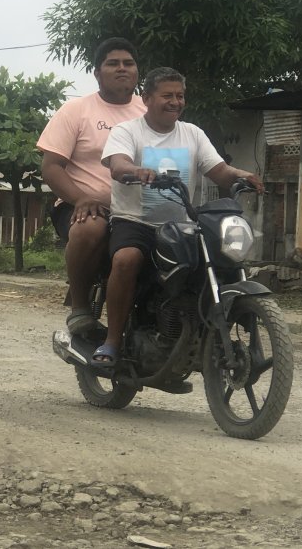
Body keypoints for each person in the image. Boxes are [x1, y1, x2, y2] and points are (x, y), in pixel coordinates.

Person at [94, 67, 265, 367]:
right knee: (126, 260)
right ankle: (112, 341)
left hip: (181, 226)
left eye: (180, 96)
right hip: (135, 222)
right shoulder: (127, 131)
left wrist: (241, 175)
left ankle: (197, 332)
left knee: (216, 262)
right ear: (146, 98)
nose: (175, 101)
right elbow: (118, 165)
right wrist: (136, 171)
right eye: (167, 95)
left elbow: (219, 171)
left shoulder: (193, 133)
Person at [37, 38, 147, 335]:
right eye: (113, 63)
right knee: (91, 227)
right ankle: (81, 309)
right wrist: (82, 197)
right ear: (97, 73)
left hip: (141, 208)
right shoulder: (75, 110)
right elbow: (51, 167)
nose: (121, 68)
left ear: (137, 72)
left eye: (128, 63)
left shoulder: (150, 112)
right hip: (80, 205)